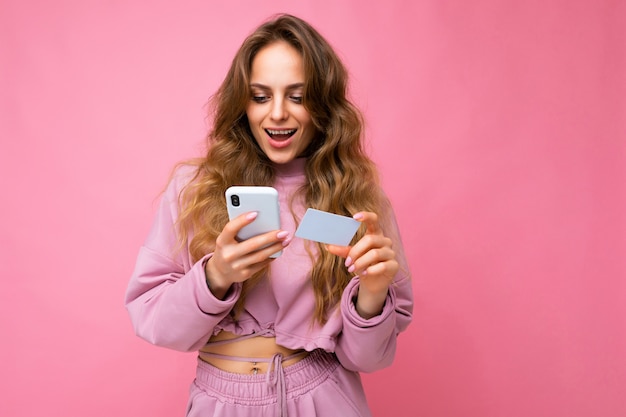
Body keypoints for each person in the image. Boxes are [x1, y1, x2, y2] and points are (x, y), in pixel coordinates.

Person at [125, 13, 413, 417]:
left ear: (323, 104)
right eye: (261, 96)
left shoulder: (358, 196)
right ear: (241, 103)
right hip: (220, 401)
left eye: (297, 96)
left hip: (324, 397)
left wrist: (372, 294)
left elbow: (369, 359)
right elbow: (154, 321)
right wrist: (216, 276)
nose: (277, 113)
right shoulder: (195, 187)